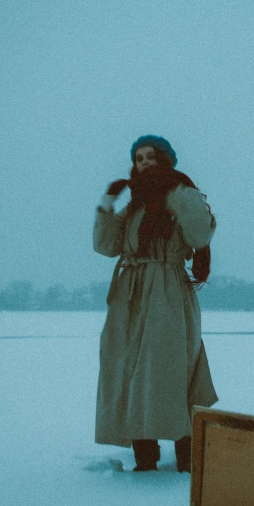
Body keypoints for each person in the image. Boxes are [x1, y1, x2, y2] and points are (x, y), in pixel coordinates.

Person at [93, 135, 218, 472]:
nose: (144, 163)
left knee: (170, 368)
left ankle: (186, 459)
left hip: (167, 293)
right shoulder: (135, 205)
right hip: (130, 298)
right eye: (138, 158)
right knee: (127, 369)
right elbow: (106, 245)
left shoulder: (179, 193)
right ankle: (144, 458)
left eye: (151, 156)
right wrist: (107, 204)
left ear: (165, 160)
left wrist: (177, 191)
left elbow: (200, 235)